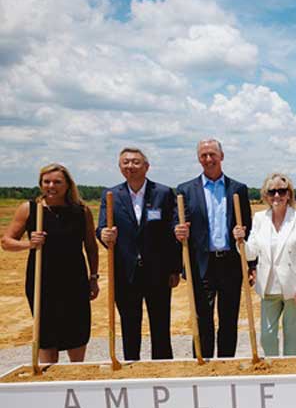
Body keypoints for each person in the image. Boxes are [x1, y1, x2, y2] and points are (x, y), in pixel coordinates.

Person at [1, 164, 99, 363]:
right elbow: (6, 242)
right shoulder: (30, 209)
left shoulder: (81, 211)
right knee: (46, 334)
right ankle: (48, 377)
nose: (51, 186)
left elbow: (91, 246)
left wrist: (93, 277)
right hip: (42, 280)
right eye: (46, 182)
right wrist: (29, 244)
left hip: (75, 280)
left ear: (68, 185)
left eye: (57, 182)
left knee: (77, 331)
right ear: (40, 184)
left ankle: (77, 373)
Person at [97, 148, 181, 361]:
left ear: (146, 166)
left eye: (135, 162)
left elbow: (172, 233)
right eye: (125, 163)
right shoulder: (111, 195)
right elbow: (101, 228)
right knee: (129, 324)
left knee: (161, 324)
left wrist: (174, 268)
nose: (130, 167)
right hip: (125, 273)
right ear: (120, 167)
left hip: (158, 272)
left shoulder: (162, 193)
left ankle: (162, 366)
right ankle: (131, 366)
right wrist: (103, 235)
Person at [174, 139, 252, 358]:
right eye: (203, 155)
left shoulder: (237, 189)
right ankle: (204, 362)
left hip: (230, 262)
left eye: (212, 155)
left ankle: (226, 363)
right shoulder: (185, 190)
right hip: (202, 263)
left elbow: (248, 227)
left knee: (228, 319)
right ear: (199, 158)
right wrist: (178, 231)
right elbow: (177, 222)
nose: (208, 159)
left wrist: (250, 262)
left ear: (222, 156)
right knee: (202, 317)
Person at [233, 174, 296, 356]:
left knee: (293, 337)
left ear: (289, 194)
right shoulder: (260, 218)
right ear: (266, 195)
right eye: (272, 191)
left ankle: (291, 374)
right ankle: (273, 369)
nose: (277, 195)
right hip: (268, 285)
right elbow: (251, 253)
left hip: (294, 287)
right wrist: (240, 242)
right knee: (267, 337)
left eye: (282, 191)